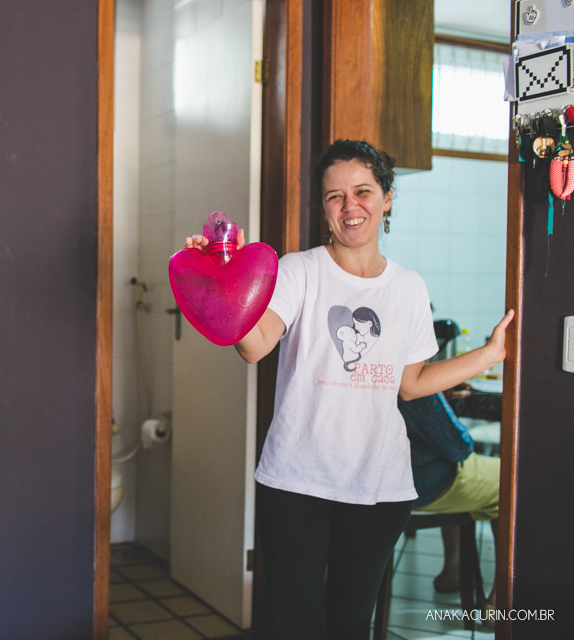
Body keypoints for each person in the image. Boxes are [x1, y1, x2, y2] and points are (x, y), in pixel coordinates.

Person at [185, 139, 513, 639]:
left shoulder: (409, 288)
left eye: (362, 191)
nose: (349, 206)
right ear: (324, 207)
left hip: (379, 486)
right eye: (335, 196)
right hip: (296, 482)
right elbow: (254, 347)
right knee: (289, 624)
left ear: (387, 197)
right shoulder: (298, 270)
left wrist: (489, 354)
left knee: (350, 624)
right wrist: (221, 282)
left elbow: (413, 384)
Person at [398, 392, 499, 614]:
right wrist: (438, 398)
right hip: (421, 482)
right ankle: (503, 598)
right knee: (514, 484)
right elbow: (459, 448)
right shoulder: (411, 376)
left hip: (380, 482)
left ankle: (453, 569)